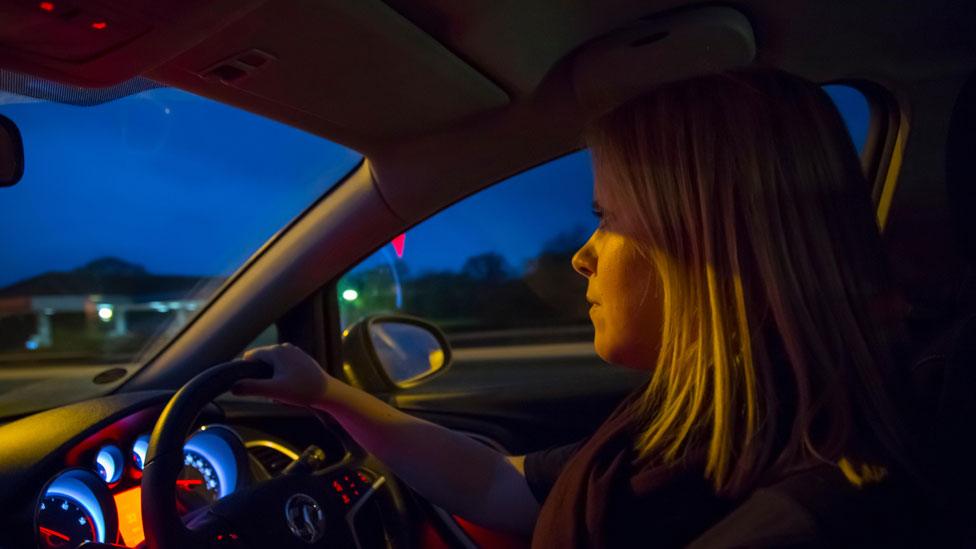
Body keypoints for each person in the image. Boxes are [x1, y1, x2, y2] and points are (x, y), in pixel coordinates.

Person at [234, 68, 919, 547]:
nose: (582, 255)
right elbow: (498, 484)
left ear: (707, 244)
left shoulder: (803, 507)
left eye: (609, 217)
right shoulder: (701, 419)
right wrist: (328, 393)